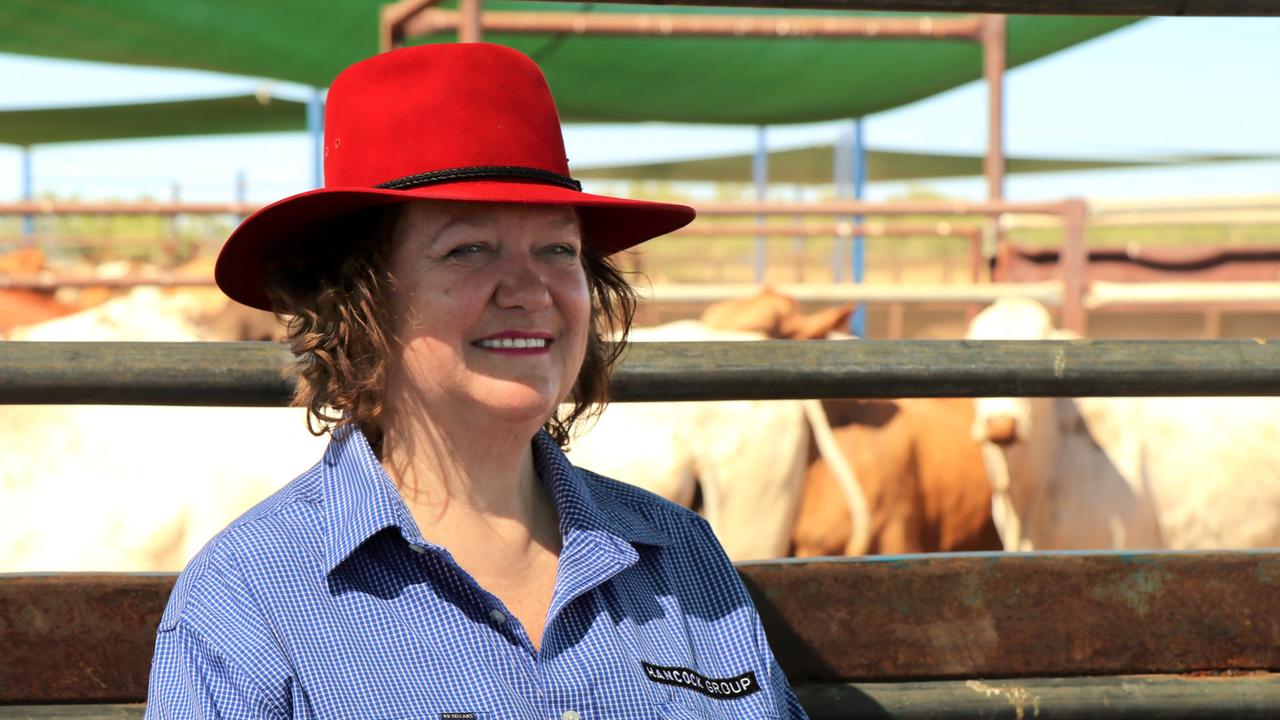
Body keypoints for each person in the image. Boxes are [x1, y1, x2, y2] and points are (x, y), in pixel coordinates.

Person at [145, 42, 809, 719]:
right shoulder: (249, 601)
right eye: (467, 249)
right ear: (359, 301)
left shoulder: (678, 554)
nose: (530, 291)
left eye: (558, 249)